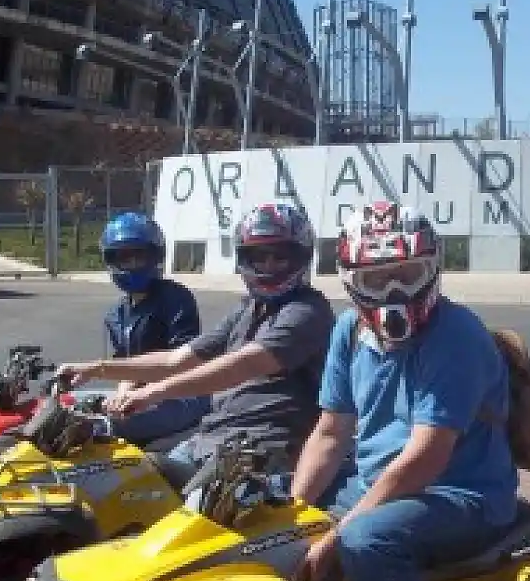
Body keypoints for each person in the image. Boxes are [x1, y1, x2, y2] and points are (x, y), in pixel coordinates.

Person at [289, 201, 519, 581]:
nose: (395, 292)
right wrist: (291, 510)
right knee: (261, 515)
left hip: (461, 492)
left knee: (368, 540)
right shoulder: (348, 333)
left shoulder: (456, 335)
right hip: (380, 482)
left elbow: (425, 459)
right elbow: (330, 434)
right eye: (377, 279)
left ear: (433, 269)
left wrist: (335, 537)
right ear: (352, 281)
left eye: (407, 273)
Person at [59, 202, 334, 483]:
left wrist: (153, 393)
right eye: (259, 257)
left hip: (262, 450)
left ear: (301, 257)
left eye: (280, 257)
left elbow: (241, 366)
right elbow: (175, 359)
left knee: (156, 500)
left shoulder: (306, 312)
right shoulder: (249, 309)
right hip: (212, 437)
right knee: (116, 483)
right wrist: (95, 369)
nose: (269, 266)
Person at [96, 212, 210, 446]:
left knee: (100, 426)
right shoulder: (116, 314)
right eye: (124, 258)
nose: (132, 265)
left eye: (139, 257)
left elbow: (182, 362)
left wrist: (135, 394)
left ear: (155, 257)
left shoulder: (176, 298)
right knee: (66, 407)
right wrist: (121, 394)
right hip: (142, 394)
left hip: (181, 394)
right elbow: (125, 367)